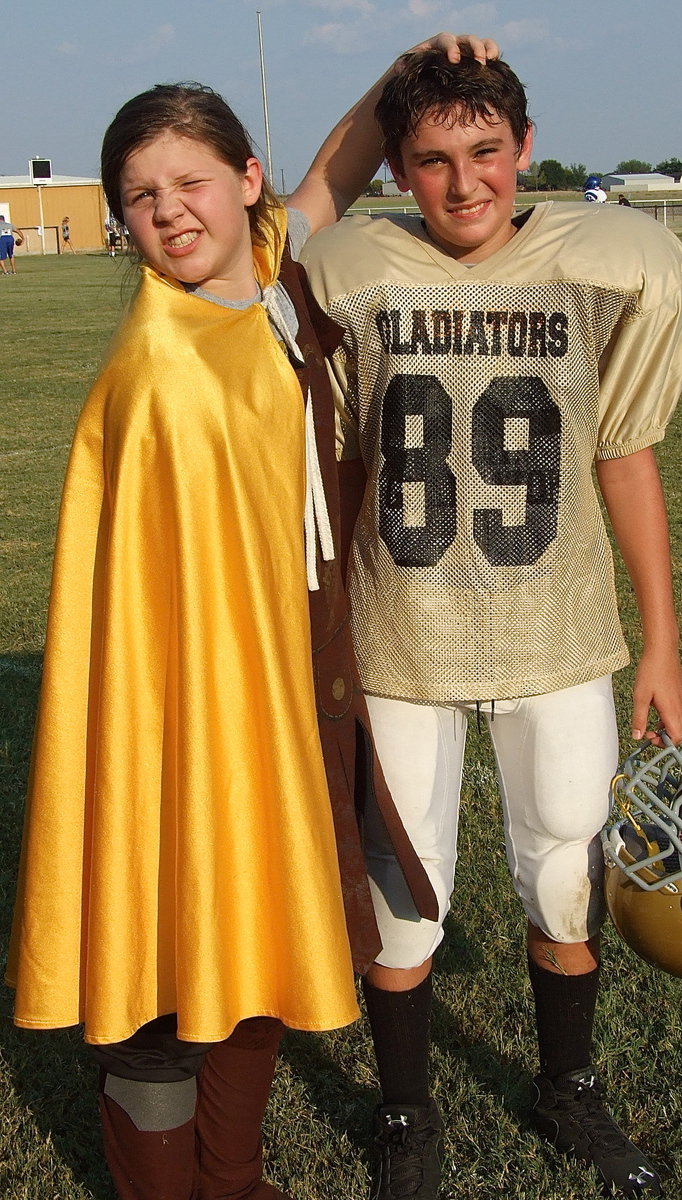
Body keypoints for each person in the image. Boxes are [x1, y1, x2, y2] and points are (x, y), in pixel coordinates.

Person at [6, 34, 494, 1200]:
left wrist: (415, 68)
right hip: (191, 715)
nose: (169, 211)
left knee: (258, 939)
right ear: (121, 220)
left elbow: (339, 169)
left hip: (282, 689)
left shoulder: (263, 283)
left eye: (188, 181)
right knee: (176, 960)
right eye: (140, 195)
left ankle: (236, 1178)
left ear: (243, 181)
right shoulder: (162, 367)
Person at [302, 49, 682, 1200]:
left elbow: (623, 453)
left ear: (525, 149)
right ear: (401, 166)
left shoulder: (606, 265)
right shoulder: (353, 272)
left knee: (566, 879)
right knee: (400, 908)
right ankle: (408, 1110)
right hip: (403, 636)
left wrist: (661, 639)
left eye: (483, 153)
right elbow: (339, 469)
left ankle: (564, 1087)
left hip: (558, 631)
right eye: (428, 159)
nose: (461, 182)